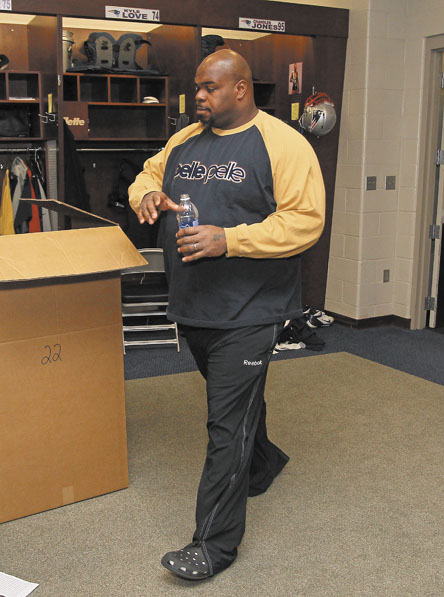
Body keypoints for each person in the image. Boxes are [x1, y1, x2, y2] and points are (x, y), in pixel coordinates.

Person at [128, 49, 325, 580]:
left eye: (209, 88)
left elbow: (305, 222)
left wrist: (229, 240)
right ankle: (263, 461)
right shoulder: (185, 140)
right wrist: (145, 193)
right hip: (193, 304)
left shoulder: (284, 143)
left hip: (250, 308)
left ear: (240, 89)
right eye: (197, 87)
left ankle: (212, 546)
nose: (199, 97)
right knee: (235, 409)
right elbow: (148, 173)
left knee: (225, 421)